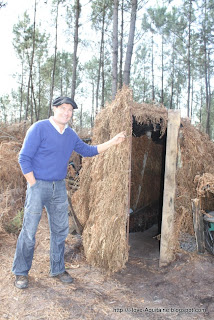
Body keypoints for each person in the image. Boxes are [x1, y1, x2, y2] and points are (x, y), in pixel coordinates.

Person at [12, 96, 126, 289]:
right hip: (38, 186)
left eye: (70, 110)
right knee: (29, 232)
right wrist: (33, 183)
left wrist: (113, 142)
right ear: (54, 108)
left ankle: (57, 268)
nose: (66, 113)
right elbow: (24, 158)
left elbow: (89, 150)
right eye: (63, 108)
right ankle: (21, 272)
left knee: (60, 230)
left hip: (59, 187)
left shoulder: (70, 135)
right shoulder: (39, 128)